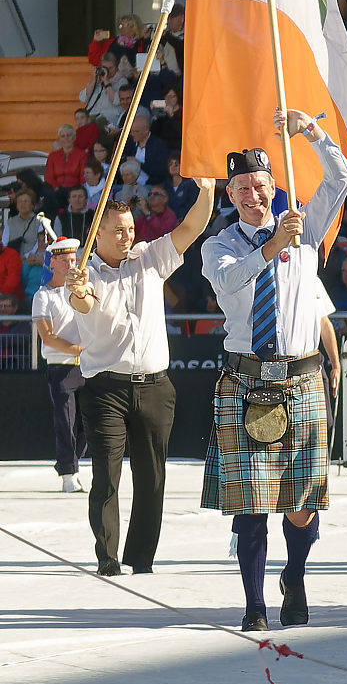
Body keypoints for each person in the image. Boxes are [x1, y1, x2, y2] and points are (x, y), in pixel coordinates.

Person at [200, 112, 347, 630]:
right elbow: (231, 282)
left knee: (302, 503)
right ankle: (254, 605)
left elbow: (342, 177)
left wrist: (311, 132)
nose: (252, 194)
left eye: (260, 185)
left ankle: (296, 574)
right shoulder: (218, 246)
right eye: (242, 187)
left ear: (272, 187)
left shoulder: (303, 229)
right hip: (246, 377)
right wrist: (272, 247)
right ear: (231, 196)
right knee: (251, 505)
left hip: (301, 377)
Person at [66, 172, 218, 574]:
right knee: (107, 478)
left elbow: (191, 227)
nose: (126, 236)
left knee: (152, 480)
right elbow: (81, 303)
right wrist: (77, 291)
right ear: (97, 235)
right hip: (105, 390)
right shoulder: (86, 272)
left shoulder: (149, 257)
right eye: (118, 231)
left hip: (155, 387)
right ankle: (108, 557)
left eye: (130, 229)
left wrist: (207, 191)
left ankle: (142, 559)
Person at [33, 238, 87, 493]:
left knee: (89, 424)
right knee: (66, 422)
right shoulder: (42, 296)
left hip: (88, 365)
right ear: (52, 262)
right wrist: (78, 349)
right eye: (64, 260)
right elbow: (47, 336)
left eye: (73, 260)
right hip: (61, 367)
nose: (70, 264)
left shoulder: (80, 290)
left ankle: (73, 462)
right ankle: (68, 471)